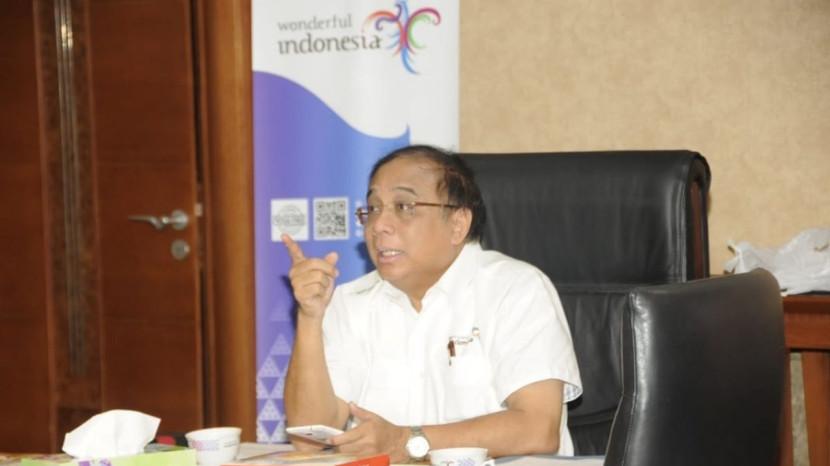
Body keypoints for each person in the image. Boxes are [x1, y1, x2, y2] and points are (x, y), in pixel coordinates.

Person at [282, 145, 581, 462]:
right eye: (373, 208)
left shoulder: (515, 289)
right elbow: (310, 440)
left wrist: (407, 442)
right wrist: (310, 316)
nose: (379, 224)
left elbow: (537, 430)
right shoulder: (349, 302)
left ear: (458, 224)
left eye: (404, 206)